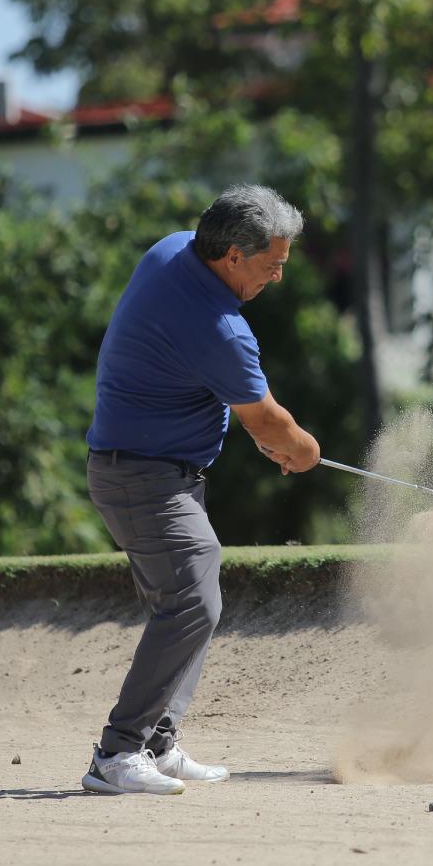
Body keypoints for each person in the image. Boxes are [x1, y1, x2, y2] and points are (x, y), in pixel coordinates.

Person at [80, 184, 321, 796]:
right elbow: (266, 422)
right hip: (144, 476)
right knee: (194, 602)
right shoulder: (222, 329)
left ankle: (157, 743)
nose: (277, 279)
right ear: (233, 257)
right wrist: (305, 452)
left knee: (194, 596)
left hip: (145, 469)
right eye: (272, 267)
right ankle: (117, 754)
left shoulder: (174, 250)